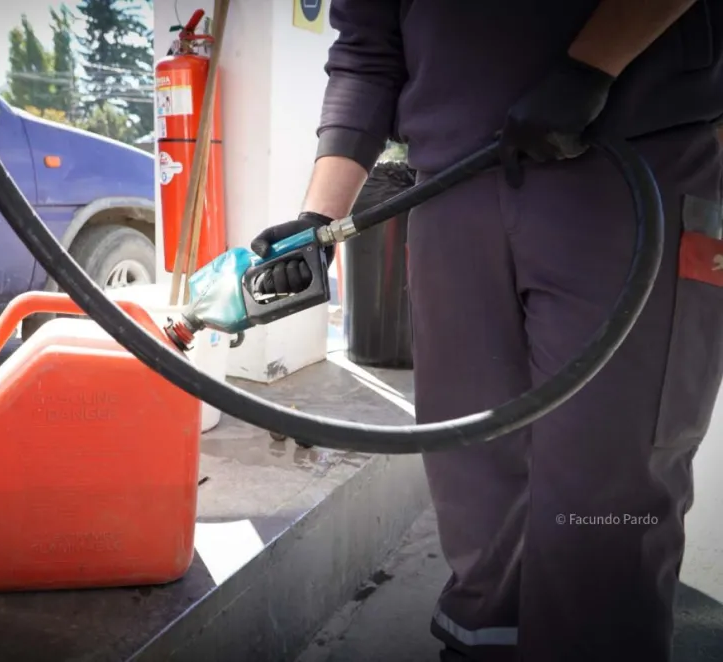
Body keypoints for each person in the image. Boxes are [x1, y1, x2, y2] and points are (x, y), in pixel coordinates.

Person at [249, 2, 723, 661]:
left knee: (606, 492)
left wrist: (592, 64)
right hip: (449, 189)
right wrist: (318, 218)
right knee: (475, 479)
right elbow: (367, 49)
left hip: (630, 162)